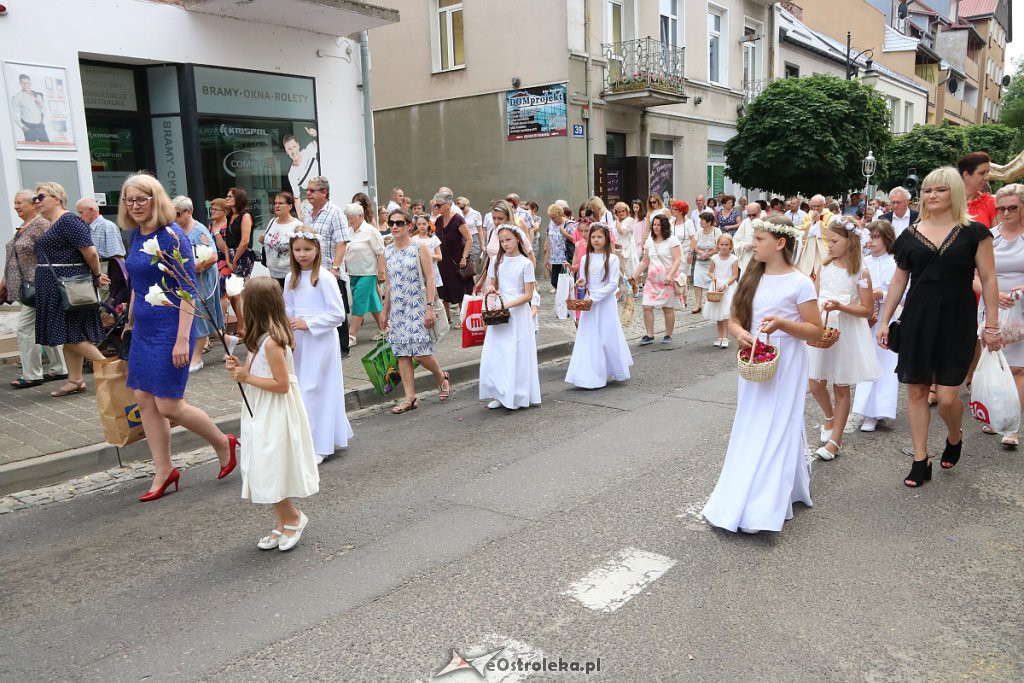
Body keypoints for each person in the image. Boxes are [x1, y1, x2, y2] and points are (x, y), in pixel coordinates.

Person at [877, 167, 1002, 488]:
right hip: (918, 319)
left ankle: (955, 435)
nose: (932, 195)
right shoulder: (908, 236)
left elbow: (988, 279)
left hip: (957, 320)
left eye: (940, 190)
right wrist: (885, 320)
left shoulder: (975, 232)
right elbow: (898, 280)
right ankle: (921, 460)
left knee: (947, 398)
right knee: (917, 392)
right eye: (928, 190)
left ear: (955, 194)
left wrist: (992, 324)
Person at [119, 174, 237, 501]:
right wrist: (130, 319)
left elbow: (187, 289)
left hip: (171, 326)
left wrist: (183, 339)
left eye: (142, 198)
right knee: (144, 399)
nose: (136, 205)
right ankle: (164, 469)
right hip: (143, 327)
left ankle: (221, 442)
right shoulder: (134, 234)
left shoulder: (172, 236)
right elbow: (137, 283)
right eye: (130, 199)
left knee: (169, 404)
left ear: (156, 199)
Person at [702, 216, 822, 534]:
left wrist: (783, 324)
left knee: (780, 424)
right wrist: (739, 332)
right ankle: (757, 487)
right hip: (755, 360)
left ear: (780, 243)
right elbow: (735, 318)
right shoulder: (752, 276)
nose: (752, 244)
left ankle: (763, 504)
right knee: (753, 421)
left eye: (759, 239)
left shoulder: (801, 283)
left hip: (787, 360)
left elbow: (814, 330)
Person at [226, 277, 319, 551]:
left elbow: (280, 384)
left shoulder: (272, 343)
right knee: (261, 465)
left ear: (254, 306)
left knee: (269, 466)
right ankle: (282, 521)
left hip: (274, 409)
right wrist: (238, 370)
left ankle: (293, 516)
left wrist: (247, 377)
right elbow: (250, 373)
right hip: (259, 407)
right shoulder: (258, 340)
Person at [806, 218, 879, 461]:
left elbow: (867, 309)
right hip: (824, 327)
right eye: (828, 240)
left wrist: (842, 306)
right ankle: (829, 417)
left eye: (834, 241)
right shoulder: (825, 265)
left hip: (846, 330)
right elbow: (815, 294)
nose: (829, 245)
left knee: (841, 385)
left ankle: (835, 441)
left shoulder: (861, 272)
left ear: (850, 242)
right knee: (815, 383)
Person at [31, 182, 109, 399]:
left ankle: (112, 372)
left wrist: (96, 276)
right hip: (55, 285)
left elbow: (90, 253)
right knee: (67, 334)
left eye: (40, 197)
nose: (36, 202)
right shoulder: (52, 223)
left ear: (57, 198)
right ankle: (75, 380)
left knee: (73, 336)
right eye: (34, 199)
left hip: (67, 285)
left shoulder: (69, 221)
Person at [284, 228, 353, 463]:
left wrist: (309, 323)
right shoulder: (290, 278)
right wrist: (288, 331)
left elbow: (337, 314)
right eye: (297, 249)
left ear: (317, 250)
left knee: (315, 388)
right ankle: (311, 438)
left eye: (307, 249)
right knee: (302, 388)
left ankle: (319, 445)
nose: (302, 254)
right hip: (300, 341)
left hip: (320, 339)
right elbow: (288, 308)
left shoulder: (324, 277)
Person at [382, 209, 451, 413]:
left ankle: (440, 375)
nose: (394, 226)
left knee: (420, 354)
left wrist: (430, 308)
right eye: (391, 223)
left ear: (409, 226)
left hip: (419, 307)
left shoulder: (419, 247)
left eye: (399, 223)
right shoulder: (387, 251)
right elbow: (388, 284)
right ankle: (410, 398)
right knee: (402, 355)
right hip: (399, 309)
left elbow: (430, 278)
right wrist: (385, 311)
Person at [973, 183, 1024, 448]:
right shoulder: (989, 237)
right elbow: (974, 276)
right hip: (993, 309)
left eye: (1012, 207)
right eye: (1001, 208)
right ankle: (995, 412)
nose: (1006, 212)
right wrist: (992, 296)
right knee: (994, 361)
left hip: (1021, 308)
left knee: (1017, 368)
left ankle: (1011, 425)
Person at [2, 189, 67, 388]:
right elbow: (16, 256)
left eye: (20, 202)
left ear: (33, 204)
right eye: (15, 202)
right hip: (28, 286)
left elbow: (54, 250)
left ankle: (32, 374)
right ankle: (59, 368)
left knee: (24, 329)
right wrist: (5, 279)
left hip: (39, 284)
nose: (16, 206)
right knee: (44, 326)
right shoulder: (23, 226)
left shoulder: (40, 224)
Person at [479, 226, 540, 410]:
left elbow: (528, 295)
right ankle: (500, 392)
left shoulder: (525, 263)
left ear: (518, 240)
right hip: (499, 313)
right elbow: (493, 285)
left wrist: (506, 305)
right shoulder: (497, 262)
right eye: (502, 241)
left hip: (518, 314)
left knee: (517, 353)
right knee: (499, 353)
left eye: (509, 240)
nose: (505, 244)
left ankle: (518, 394)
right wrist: (491, 289)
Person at [565, 224, 632, 388]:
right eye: (593, 237)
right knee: (589, 336)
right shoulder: (584, 258)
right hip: (589, 302)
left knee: (607, 336)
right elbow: (584, 279)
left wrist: (594, 298)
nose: (595, 240)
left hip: (604, 302)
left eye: (599, 237)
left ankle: (613, 367)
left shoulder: (612, 259)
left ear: (606, 239)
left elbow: (611, 285)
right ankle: (589, 374)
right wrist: (581, 283)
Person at [853, 220, 899, 433]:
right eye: (869, 236)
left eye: (875, 237)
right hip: (866, 319)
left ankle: (880, 409)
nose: (870, 241)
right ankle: (866, 409)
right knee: (866, 362)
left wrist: (884, 294)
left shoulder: (894, 264)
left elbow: (904, 293)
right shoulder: (863, 263)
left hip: (885, 320)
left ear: (886, 239)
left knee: (885, 364)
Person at [172, 195, 223, 373]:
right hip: (187, 281)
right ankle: (229, 340)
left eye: (178, 214)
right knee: (206, 318)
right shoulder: (176, 230)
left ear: (189, 212)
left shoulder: (199, 231)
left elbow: (213, 256)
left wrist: (195, 268)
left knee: (199, 317)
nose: (175, 218)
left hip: (202, 282)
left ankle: (197, 358)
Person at [306, 176, 352, 357]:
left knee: (336, 309)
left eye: (312, 191)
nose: (308, 194)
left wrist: (335, 268)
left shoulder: (335, 212)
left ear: (324, 192)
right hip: (313, 271)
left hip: (330, 271)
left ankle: (342, 347)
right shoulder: (309, 214)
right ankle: (323, 343)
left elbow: (342, 242)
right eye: (307, 190)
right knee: (319, 308)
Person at [630, 214, 682, 345]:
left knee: (667, 308)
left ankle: (668, 334)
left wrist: (670, 275)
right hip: (652, 281)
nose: (656, 227)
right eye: (654, 225)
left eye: (659, 225)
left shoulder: (672, 240)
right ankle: (649, 334)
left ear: (664, 226)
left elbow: (677, 260)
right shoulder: (649, 241)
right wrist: (634, 275)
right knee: (646, 306)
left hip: (667, 280)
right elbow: (645, 261)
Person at [343, 203, 386, 345]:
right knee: (373, 302)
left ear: (360, 216)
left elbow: (380, 252)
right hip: (354, 273)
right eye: (348, 218)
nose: (349, 220)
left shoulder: (370, 231)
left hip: (368, 272)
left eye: (352, 218)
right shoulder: (349, 231)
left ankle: (351, 335)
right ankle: (385, 329)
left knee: (359, 302)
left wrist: (381, 272)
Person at [432, 191, 472, 325]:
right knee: (444, 290)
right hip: (443, 261)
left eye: (439, 205)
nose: (436, 207)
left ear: (448, 205)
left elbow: (469, 239)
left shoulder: (458, 219)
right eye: (435, 205)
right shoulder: (438, 220)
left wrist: (464, 258)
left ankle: (463, 318)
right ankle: (447, 318)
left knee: (460, 289)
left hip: (457, 260)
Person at [75, 197, 126, 293]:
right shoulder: (85, 228)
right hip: (92, 269)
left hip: (106, 269)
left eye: (81, 212)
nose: (79, 216)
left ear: (91, 211)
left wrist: (121, 280)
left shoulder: (108, 226)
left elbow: (118, 256)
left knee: (106, 303)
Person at [222, 187, 255, 337]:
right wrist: (228, 259)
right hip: (231, 255)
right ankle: (244, 325)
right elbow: (227, 240)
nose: (227, 198)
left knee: (237, 293)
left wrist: (235, 260)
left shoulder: (245, 216)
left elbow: (245, 241)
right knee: (231, 293)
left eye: (230, 196)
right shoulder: (230, 216)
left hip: (243, 256)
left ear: (238, 199)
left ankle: (242, 329)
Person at [704, 234, 740, 349]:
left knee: (726, 314)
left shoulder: (733, 259)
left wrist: (725, 284)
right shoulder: (714, 258)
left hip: (728, 287)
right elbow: (710, 271)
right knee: (719, 314)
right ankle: (720, 336)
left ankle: (725, 337)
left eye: (726, 245)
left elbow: (735, 275)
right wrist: (713, 277)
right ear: (718, 245)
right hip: (716, 286)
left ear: (730, 246)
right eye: (722, 244)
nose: (724, 247)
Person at [260, 191, 303, 287]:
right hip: (273, 272)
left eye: (281, 203)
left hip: (290, 273)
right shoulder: (272, 222)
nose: (277, 206)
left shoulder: (297, 225)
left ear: (290, 206)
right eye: (275, 203)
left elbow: (301, 249)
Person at [282, 128, 318, 216]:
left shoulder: (309, 150)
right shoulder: (292, 174)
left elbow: (321, 140)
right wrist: (299, 215)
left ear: (298, 145)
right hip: (316, 201)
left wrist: (315, 134)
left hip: (327, 190)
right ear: (286, 151)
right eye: (289, 149)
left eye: (294, 147)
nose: (293, 151)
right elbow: (297, 197)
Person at [796, 194, 833, 278]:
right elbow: (803, 228)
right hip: (809, 245)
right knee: (806, 269)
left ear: (824, 204)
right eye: (813, 206)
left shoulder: (830, 216)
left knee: (822, 269)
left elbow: (831, 231)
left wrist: (819, 222)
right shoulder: (808, 215)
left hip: (822, 245)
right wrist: (812, 223)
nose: (815, 208)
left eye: (818, 206)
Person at [692, 212, 722, 314]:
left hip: (713, 262)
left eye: (702, 220)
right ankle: (698, 304)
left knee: (713, 282)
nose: (700, 222)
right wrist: (702, 253)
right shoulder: (699, 232)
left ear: (709, 222)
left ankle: (713, 302)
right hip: (700, 262)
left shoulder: (716, 231)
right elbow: (695, 246)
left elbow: (719, 246)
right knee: (697, 282)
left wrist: (708, 254)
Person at [959, 151, 997, 228]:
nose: (987, 178)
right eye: (982, 173)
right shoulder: (947, 201)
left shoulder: (990, 203)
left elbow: (997, 237)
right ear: (966, 175)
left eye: (988, 172)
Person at [10, 74, 48, 142]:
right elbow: (12, 113)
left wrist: (40, 105)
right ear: (20, 83)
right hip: (28, 127)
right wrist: (22, 126)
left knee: (48, 147)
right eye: (23, 83)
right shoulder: (17, 97)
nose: (25, 85)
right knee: (31, 150)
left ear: (30, 83)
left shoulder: (38, 95)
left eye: (27, 83)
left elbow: (44, 112)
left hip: (40, 126)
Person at [545, 203, 572, 291]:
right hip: (555, 258)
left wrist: (565, 234)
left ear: (561, 214)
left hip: (565, 258)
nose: (552, 220)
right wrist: (547, 257)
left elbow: (576, 240)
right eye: (551, 218)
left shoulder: (569, 224)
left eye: (554, 217)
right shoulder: (551, 224)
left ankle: (567, 300)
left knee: (565, 283)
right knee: (554, 282)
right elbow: (549, 239)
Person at [612, 201, 639, 278]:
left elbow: (621, 232)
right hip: (617, 250)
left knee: (630, 275)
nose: (621, 213)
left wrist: (617, 221)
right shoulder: (614, 222)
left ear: (627, 211)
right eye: (619, 211)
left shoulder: (629, 220)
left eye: (623, 211)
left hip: (628, 250)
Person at [733, 202, 762, 271]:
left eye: (754, 215)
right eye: (749, 215)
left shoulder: (766, 221)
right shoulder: (745, 222)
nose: (751, 217)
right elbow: (736, 239)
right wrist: (744, 245)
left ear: (759, 211)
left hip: (762, 257)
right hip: (748, 256)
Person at [457, 196, 484, 267]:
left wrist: (482, 245)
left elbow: (480, 230)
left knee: (470, 262)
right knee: (461, 262)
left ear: (467, 205)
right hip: (461, 239)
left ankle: (471, 277)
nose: (461, 210)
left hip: (473, 239)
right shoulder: (458, 214)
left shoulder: (476, 214)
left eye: (462, 208)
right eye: (459, 208)